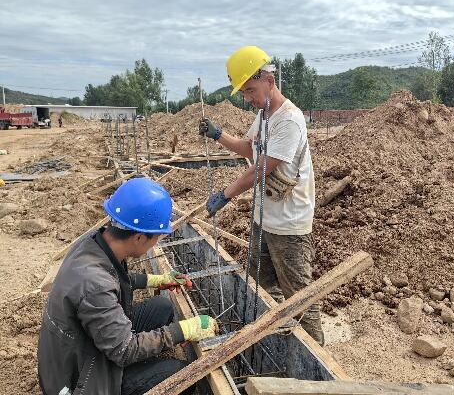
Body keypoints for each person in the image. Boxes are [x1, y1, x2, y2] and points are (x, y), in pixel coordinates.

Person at [37, 178, 218, 395]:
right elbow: (124, 350)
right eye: (157, 237)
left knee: (161, 307)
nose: (156, 242)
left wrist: (155, 280)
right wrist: (184, 330)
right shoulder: (94, 284)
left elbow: (113, 278)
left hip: (87, 347)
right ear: (140, 237)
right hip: (80, 378)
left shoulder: (95, 243)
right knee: (181, 376)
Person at [199, 45, 324, 345]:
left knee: (299, 296)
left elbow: (260, 169)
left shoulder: (289, 120)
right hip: (264, 216)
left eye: (251, 90)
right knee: (260, 286)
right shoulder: (264, 114)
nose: (248, 98)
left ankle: (318, 358)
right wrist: (219, 135)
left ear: (269, 80)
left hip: (289, 223)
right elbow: (249, 149)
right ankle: (273, 338)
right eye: (243, 93)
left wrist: (225, 195)